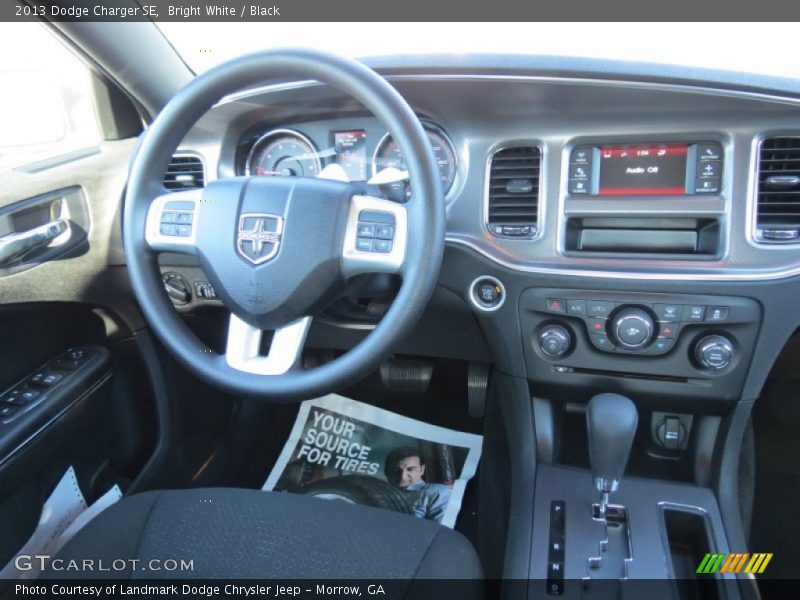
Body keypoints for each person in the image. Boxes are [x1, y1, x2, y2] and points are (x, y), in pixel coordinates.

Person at [384, 446, 451, 523]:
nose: (403, 476)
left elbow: (440, 530)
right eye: (396, 470)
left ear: (422, 470)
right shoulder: (378, 494)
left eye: (410, 469)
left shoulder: (437, 492)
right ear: (386, 472)